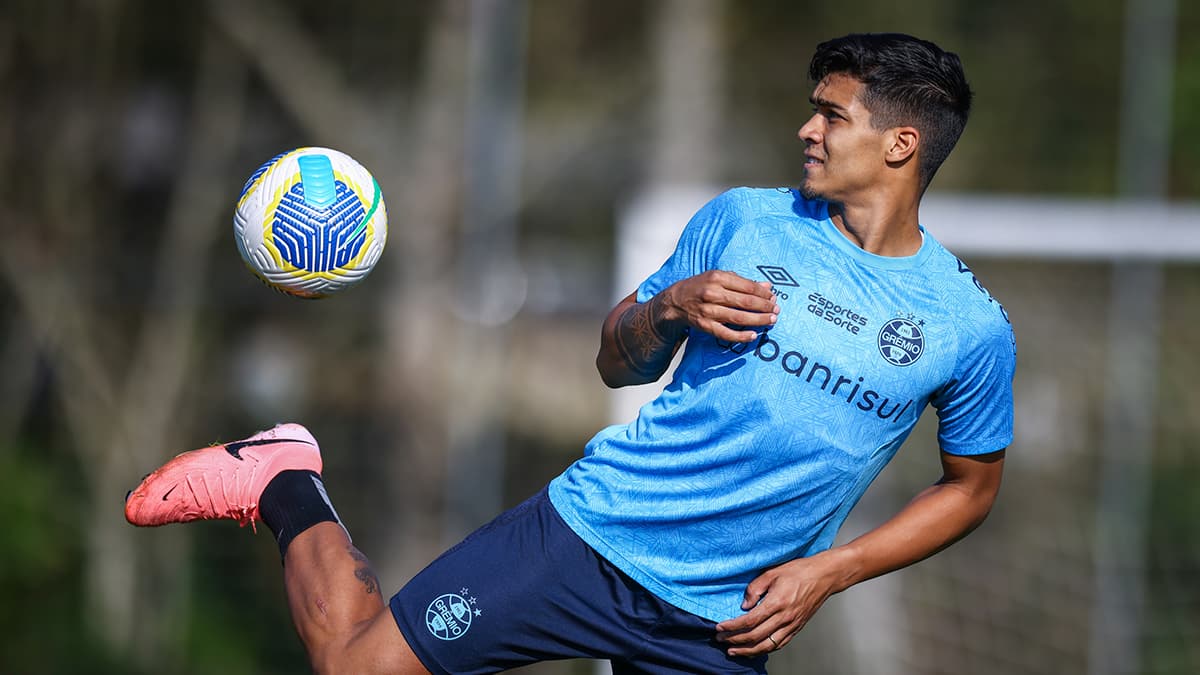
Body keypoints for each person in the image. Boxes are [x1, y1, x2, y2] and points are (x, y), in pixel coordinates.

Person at [125, 32, 1014, 674]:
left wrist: (832, 569)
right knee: (359, 670)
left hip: (722, 621)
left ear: (901, 144)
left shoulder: (968, 327)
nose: (806, 131)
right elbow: (613, 362)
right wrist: (669, 307)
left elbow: (970, 487)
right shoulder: (747, 218)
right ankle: (285, 479)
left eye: (831, 116)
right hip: (589, 535)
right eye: (811, 111)